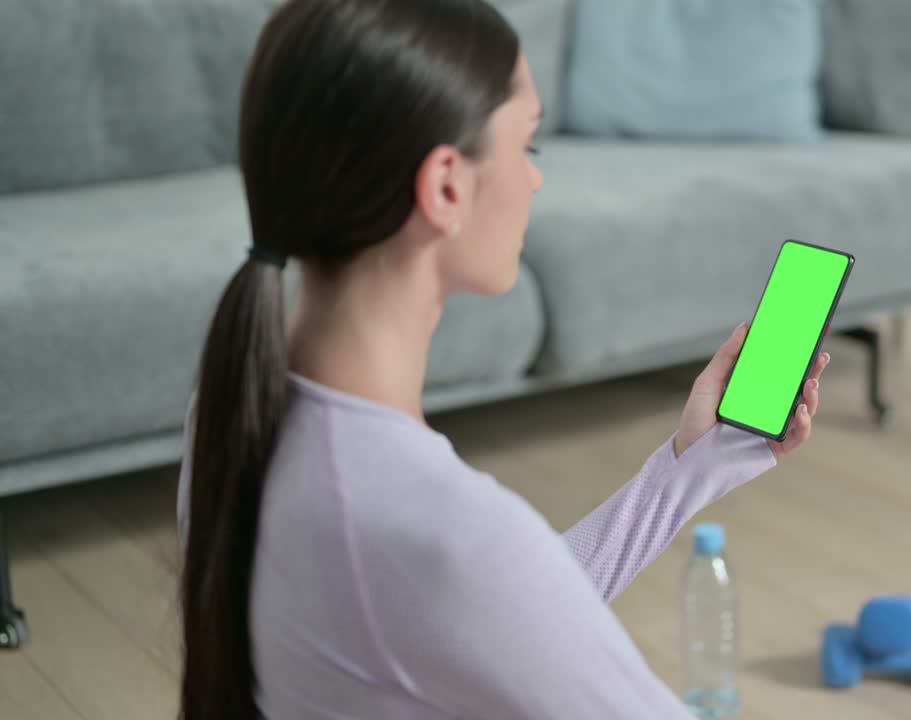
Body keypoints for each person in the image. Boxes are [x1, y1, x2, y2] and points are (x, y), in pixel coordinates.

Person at [176, 0, 830, 718]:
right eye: (528, 147)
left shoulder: (237, 406)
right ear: (446, 186)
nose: (535, 180)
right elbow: (484, 586)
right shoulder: (431, 527)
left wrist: (692, 465)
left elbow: (501, 619)